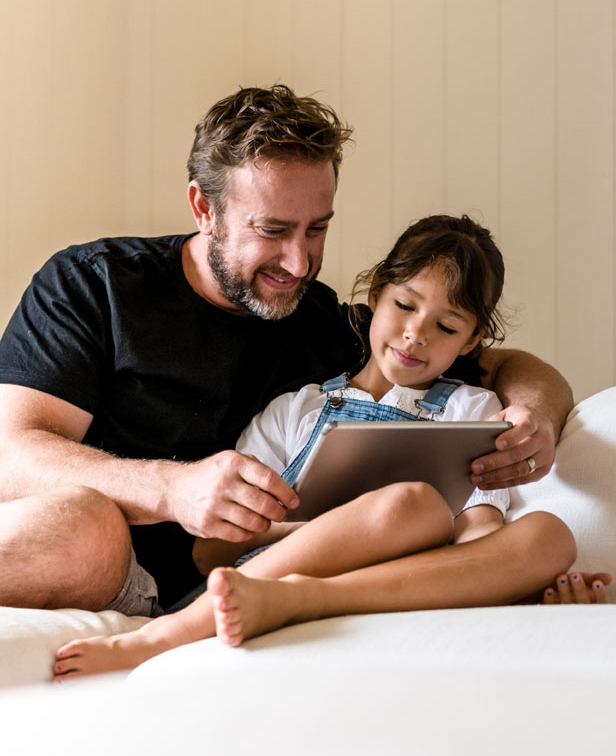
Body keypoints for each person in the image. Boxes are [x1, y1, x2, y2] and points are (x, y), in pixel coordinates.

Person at [0, 86, 573, 617]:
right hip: (114, 566)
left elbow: (502, 363)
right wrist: (171, 489)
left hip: (262, 581)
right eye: (273, 230)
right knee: (88, 526)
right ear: (204, 208)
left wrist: (537, 420)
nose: (298, 263)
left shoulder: (325, 320)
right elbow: (11, 452)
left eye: (316, 229)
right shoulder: (94, 284)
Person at [52, 214, 610, 677]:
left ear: (473, 341)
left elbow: (481, 529)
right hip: (264, 568)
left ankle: (301, 600)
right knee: (408, 503)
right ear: (375, 295)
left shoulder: (472, 410)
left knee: (549, 538)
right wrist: (342, 527)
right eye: (406, 306)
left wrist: (511, 575)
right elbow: (210, 550)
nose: (416, 334)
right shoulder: (296, 409)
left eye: (447, 327)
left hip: (402, 575)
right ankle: (173, 633)